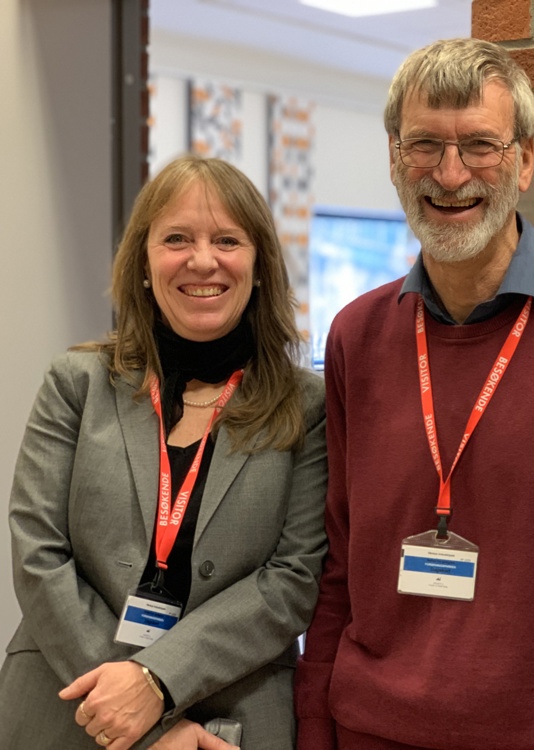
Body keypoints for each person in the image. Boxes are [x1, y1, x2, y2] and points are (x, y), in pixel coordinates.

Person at [295, 38, 534, 750]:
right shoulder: (356, 338)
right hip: (366, 730)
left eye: (479, 146)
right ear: (393, 155)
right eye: (424, 144)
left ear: (526, 160)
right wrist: (314, 726)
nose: (450, 173)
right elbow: (338, 565)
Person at [0, 155, 328, 749]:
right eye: (176, 238)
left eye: (227, 239)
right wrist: (138, 714)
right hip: (66, 704)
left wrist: (157, 682)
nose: (202, 259)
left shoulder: (307, 405)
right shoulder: (77, 383)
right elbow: (37, 551)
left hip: (226, 717)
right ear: (145, 263)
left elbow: (292, 579)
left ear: (258, 265)